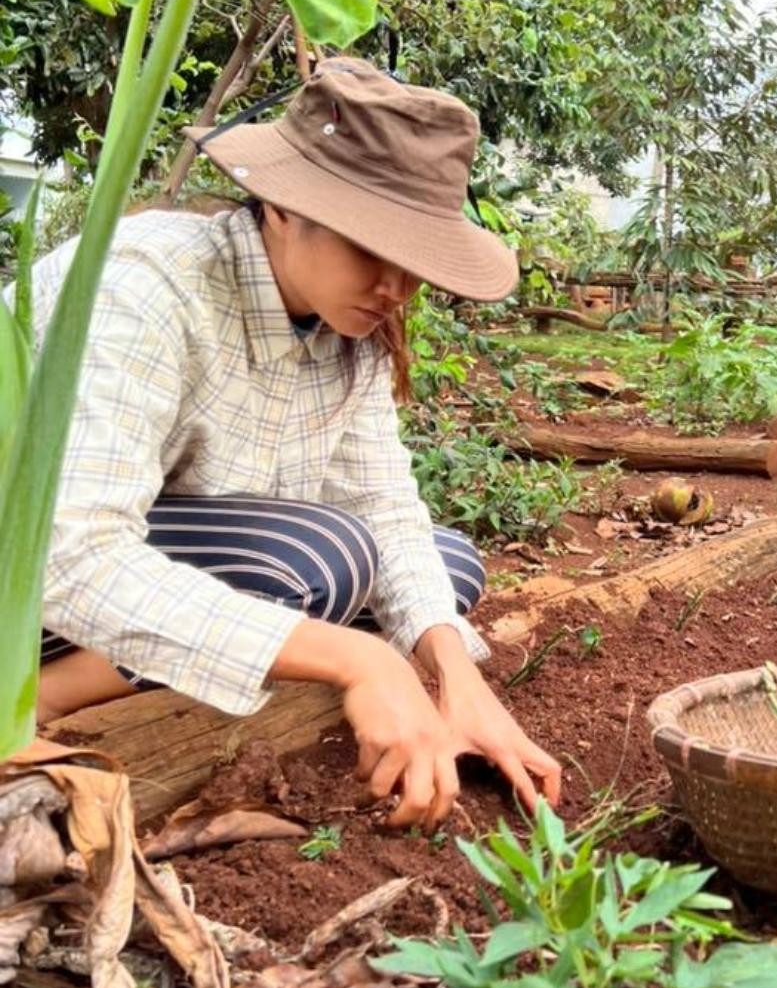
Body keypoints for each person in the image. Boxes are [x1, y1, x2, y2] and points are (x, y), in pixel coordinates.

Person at [32, 58, 561, 830]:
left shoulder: (350, 333)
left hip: (185, 556)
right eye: (369, 245)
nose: (395, 286)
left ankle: (219, 673)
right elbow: (71, 555)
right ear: (281, 207)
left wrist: (456, 680)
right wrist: (363, 660)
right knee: (322, 561)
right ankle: (43, 695)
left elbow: (385, 504)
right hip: (33, 572)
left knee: (443, 569)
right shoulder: (146, 285)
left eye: (412, 261)